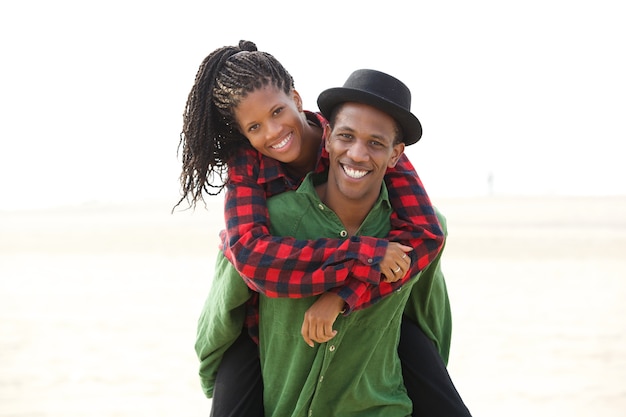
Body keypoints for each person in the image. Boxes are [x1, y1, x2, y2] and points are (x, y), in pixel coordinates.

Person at [181, 41, 470, 416]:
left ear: (297, 99)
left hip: (368, 303)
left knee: (437, 390)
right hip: (262, 315)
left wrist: (344, 294)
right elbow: (250, 254)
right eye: (254, 126)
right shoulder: (249, 163)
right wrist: (361, 254)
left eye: (277, 112)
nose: (272, 132)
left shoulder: (352, 136)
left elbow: (427, 231)